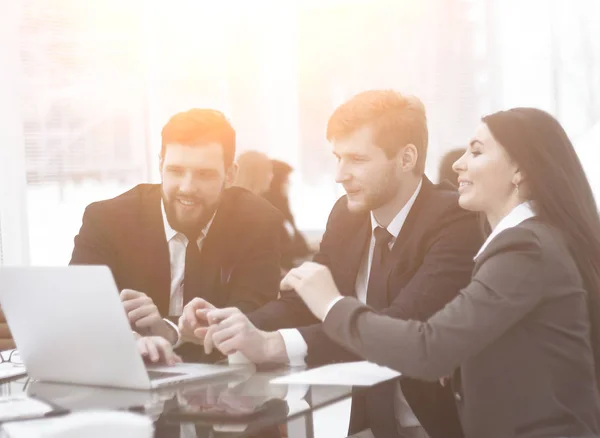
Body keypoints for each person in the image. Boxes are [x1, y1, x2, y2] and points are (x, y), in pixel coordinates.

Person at [284, 107, 600, 438]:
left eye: (476, 152)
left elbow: (429, 350)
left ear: (519, 169)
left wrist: (331, 305)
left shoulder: (525, 248)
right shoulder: (530, 240)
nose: (457, 163)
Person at [183, 90, 483, 438]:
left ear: (405, 158)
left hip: (432, 423)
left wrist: (270, 344)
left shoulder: (455, 219)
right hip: (354, 421)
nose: (340, 174)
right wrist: (235, 325)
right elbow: (303, 300)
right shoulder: (346, 215)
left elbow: (398, 323)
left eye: (356, 159)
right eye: (338, 157)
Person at [70, 109, 283, 361]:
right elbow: (78, 311)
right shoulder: (106, 220)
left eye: (204, 174)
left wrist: (168, 330)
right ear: (160, 166)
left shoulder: (257, 222)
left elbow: (251, 318)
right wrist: (125, 338)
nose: (187, 188)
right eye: (176, 171)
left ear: (230, 175)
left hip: (222, 379)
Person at [262, 159, 311, 270]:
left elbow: (301, 244)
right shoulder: (266, 212)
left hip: (294, 266)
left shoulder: (283, 208)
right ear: (275, 182)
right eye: (285, 180)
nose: (289, 183)